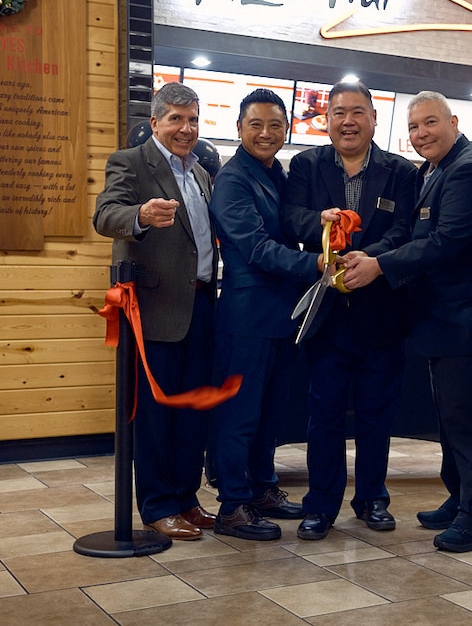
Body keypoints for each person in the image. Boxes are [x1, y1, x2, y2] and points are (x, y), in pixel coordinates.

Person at [341, 91, 472, 552]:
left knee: (465, 419)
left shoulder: (467, 168)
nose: (421, 134)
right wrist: (374, 255)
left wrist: (380, 266)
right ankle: (460, 497)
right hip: (435, 318)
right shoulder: (433, 169)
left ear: (453, 121)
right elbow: (413, 235)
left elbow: (447, 241)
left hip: (461, 319)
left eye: (429, 123)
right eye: (413, 128)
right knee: (448, 417)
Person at [283, 80, 417, 541]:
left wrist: (372, 262)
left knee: (378, 413)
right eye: (339, 112)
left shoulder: (401, 171)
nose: (348, 121)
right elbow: (291, 217)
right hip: (326, 314)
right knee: (324, 415)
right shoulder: (305, 165)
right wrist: (319, 226)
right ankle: (320, 505)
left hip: (382, 312)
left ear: (374, 118)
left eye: (357, 112)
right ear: (327, 119)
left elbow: (406, 229)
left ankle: (373, 498)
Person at [92, 82, 218, 540]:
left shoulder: (202, 172)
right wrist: (141, 215)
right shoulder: (130, 162)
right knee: (154, 416)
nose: (186, 129)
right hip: (154, 310)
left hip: (201, 305)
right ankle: (158, 506)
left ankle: (186, 498)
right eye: (176, 120)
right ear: (155, 122)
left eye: (192, 120)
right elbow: (105, 215)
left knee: (191, 412)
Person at [208, 88, 323, 540]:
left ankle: (263, 489)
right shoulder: (234, 178)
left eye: (276, 125)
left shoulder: (277, 174)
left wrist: (325, 223)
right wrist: (314, 263)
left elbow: (294, 223)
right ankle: (232, 505)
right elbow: (255, 247)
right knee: (240, 415)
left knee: (270, 412)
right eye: (256, 124)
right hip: (246, 317)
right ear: (238, 129)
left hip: (280, 315)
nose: (266, 133)